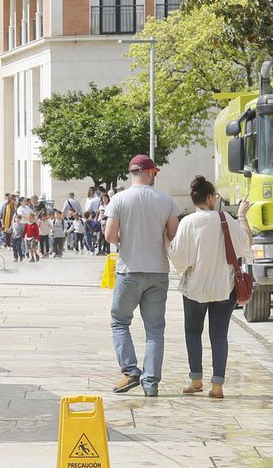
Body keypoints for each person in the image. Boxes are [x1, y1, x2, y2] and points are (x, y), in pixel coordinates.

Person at [169, 176, 253, 399]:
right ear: (209, 197)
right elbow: (246, 244)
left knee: (192, 332)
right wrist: (243, 215)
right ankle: (217, 386)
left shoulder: (187, 222)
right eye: (215, 195)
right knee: (219, 336)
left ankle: (196, 379)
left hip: (195, 288)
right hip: (224, 288)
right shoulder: (225, 218)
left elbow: (179, 258)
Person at [105, 155, 180, 396]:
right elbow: (173, 232)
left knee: (120, 322)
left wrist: (124, 241)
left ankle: (130, 371)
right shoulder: (165, 199)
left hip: (129, 270)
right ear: (149, 173)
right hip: (158, 271)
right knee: (155, 330)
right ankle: (150, 383)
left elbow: (109, 235)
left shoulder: (119, 199)